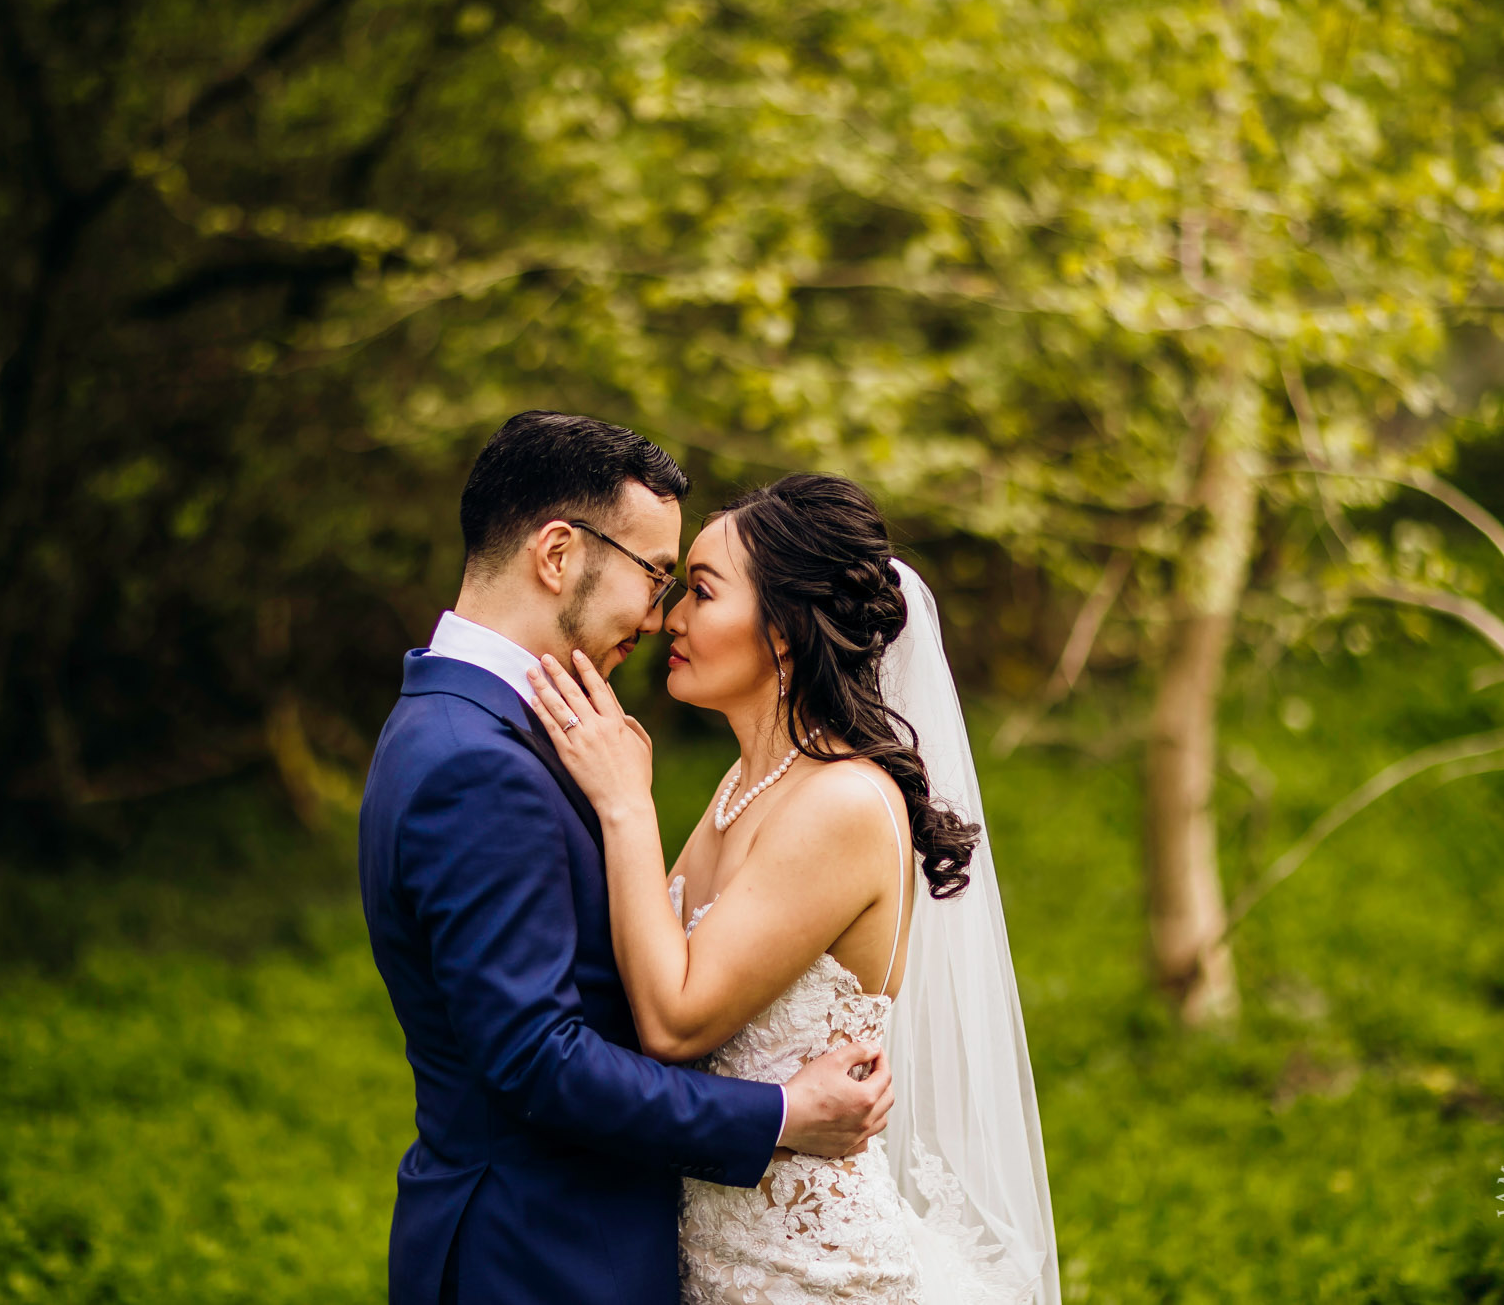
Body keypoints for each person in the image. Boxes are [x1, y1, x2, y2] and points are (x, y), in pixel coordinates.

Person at [358, 415, 894, 1305]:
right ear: (558, 554)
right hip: (540, 1259)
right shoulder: (476, 762)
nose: (657, 615)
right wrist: (783, 1115)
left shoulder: (466, 724)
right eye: (653, 575)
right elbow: (538, 1058)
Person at [526, 473, 1062, 1304]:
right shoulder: (744, 784)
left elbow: (673, 1018)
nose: (669, 617)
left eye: (700, 592)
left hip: (812, 1278)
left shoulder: (842, 802)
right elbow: (638, 976)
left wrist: (628, 806)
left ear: (782, 630)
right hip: (709, 1265)